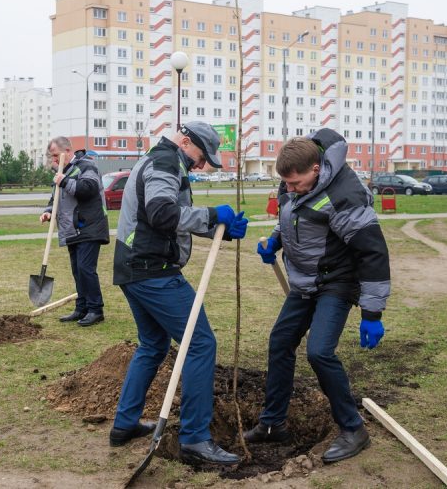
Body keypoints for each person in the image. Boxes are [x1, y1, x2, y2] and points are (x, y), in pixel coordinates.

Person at [109, 122, 249, 466]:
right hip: (152, 273)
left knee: (153, 344)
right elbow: (161, 214)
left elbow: (163, 222)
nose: (201, 166)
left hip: (132, 268)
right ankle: (195, 440)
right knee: (200, 344)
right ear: (185, 142)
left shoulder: (159, 160)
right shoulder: (165, 163)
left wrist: (220, 229)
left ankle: (124, 423)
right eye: (202, 158)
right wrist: (215, 214)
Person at [248, 130, 390, 463]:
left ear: (316, 168)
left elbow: (373, 252)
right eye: (286, 184)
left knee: (320, 352)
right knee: (280, 342)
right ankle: (273, 424)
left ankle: (353, 429)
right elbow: (291, 217)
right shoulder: (294, 183)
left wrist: (372, 313)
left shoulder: (344, 196)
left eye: (296, 183)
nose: (290, 189)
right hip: (305, 282)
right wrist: (274, 241)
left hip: (337, 282)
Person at [39, 136, 109, 327]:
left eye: (55, 155)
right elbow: (55, 200)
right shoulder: (62, 172)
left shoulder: (86, 166)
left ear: (67, 151)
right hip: (72, 229)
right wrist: (47, 213)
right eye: (51, 157)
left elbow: (89, 188)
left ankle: (96, 309)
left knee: (86, 269)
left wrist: (64, 181)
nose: (53, 160)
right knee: (78, 270)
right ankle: (82, 308)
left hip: (89, 226)